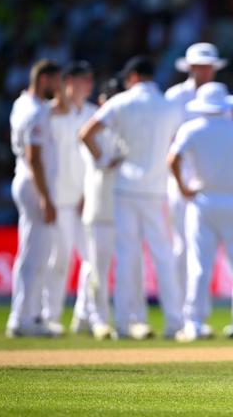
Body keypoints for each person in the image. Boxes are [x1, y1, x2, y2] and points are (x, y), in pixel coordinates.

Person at [79, 56, 184, 340]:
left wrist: (102, 160)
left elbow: (86, 133)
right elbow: (179, 144)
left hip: (125, 187)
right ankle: (175, 322)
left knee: (127, 256)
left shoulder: (121, 102)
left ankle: (124, 324)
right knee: (163, 256)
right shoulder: (169, 105)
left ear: (134, 76)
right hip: (157, 189)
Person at [167, 82, 233, 342]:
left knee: (200, 267)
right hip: (232, 201)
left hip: (203, 201)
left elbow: (172, 159)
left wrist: (183, 187)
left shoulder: (191, 129)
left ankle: (194, 323)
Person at [165, 42, 227, 339]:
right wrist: (180, 182)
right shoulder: (175, 97)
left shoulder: (220, 95)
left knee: (202, 254)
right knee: (181, 248)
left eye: (208, 66)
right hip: (182, 182)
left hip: (211, 187)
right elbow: (166, 142)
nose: (204, 71)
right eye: (200, 66)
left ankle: (195, 316)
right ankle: (178, 316)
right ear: (189, 68)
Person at [6, 59, 60, 337]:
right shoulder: (36, 113)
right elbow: (34, 158)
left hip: (26, 182)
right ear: (44, 80)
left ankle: (32, 315)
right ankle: (21, 319)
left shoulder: (22, 104)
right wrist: (46, 198)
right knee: (33, 256)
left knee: (35, 254)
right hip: (34, 185)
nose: (59, 86)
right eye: (56, 81)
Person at [42, 60, 97, 336]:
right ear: (69, 81)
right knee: (59, 259)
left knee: (92, 260)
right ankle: (49, 316)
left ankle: (84, 316)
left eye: (90, 79)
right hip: (58, 198)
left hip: (85, 199)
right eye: (83, 79)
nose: (88, 84)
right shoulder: (50, 114)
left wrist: (90, 193)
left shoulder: (94, 113)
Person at [79, 77, 124, 340]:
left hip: (120, 206)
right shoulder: (92, 127)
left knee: (110, 267)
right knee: (96, 267)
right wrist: (110, 160)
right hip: (98, 206)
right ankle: (98, 320)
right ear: (102, 102)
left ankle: (88, 316)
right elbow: (96, 158)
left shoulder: (123, 129)